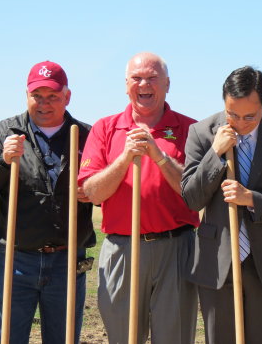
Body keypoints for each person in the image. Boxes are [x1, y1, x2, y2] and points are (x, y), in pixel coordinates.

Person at [78, 52, 199, 344]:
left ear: (167, 84)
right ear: (126, 85)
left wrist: (159, 156)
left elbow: (196, 193)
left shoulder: (190, 129)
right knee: (123, 336)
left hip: (176, 248)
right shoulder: (105, 128)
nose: (144, 84)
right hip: (122, 248)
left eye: (152, 77)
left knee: (175, 336)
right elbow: (90, 192)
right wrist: (124, 159)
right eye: (137, 78)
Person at [181, 66, 262, 344]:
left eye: (250, 116)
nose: (240, 123)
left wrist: (251, 198)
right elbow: (192, 198)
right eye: (232, 114)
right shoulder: (201, 133)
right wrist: (215, 153)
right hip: (216, 263)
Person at [0, 61, 95, 344]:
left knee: (64, 339)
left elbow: (105, 193)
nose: (44, 103)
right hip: (14, 261)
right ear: (26, 95)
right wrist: (4, 162)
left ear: (67, 96)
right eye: (37, 96)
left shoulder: (87, 135)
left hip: (67, 261)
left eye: (52, 96)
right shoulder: (5, 133)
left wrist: (94, 192)